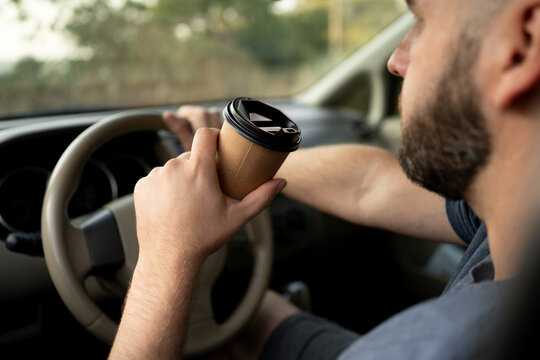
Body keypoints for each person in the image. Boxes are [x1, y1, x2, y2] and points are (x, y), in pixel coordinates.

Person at [108, 0, 540, 358]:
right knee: (254, 314)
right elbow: (371, 185)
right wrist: (228, 168)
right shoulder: (516, 202)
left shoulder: (438, 346)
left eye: (422, 21)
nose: (396, 60)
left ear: (521, 44)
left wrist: (166, 256)